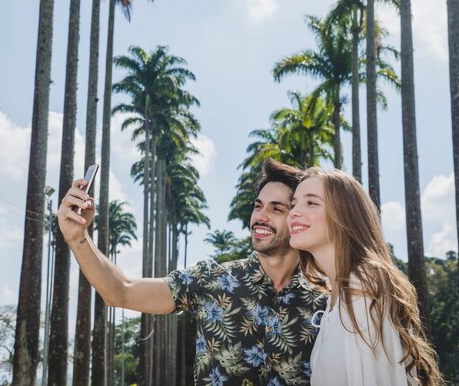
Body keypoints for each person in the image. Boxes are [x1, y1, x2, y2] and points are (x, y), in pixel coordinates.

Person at [58, 159, 327, 386]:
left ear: (297, 218)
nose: (260, 216)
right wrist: (78, 238)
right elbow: (121, 291)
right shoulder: (212, 280)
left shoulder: (326, 302)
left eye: (276, 208)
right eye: (258, 205)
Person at [287, 168, 444, 386]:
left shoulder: (365, 283)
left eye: (311, 203)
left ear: (344, 214)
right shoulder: (335, 301)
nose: (293, 212)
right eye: (294, 204)